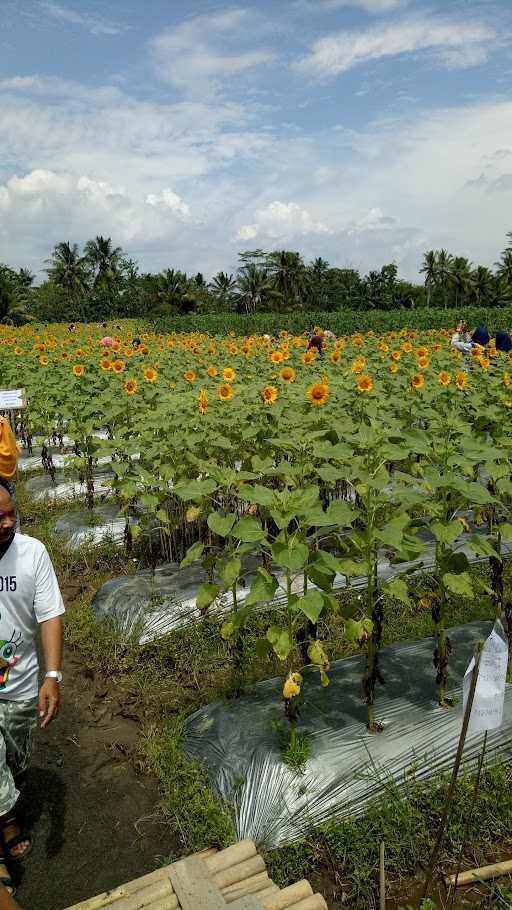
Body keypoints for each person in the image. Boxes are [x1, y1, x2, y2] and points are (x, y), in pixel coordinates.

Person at [0, 481, 64, 896]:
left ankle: (7, 815)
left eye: (10, 513)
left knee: (16, 764)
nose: (8, 522)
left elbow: (50, 615)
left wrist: (52, 676)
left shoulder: (32, 553)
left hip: (21, 686)